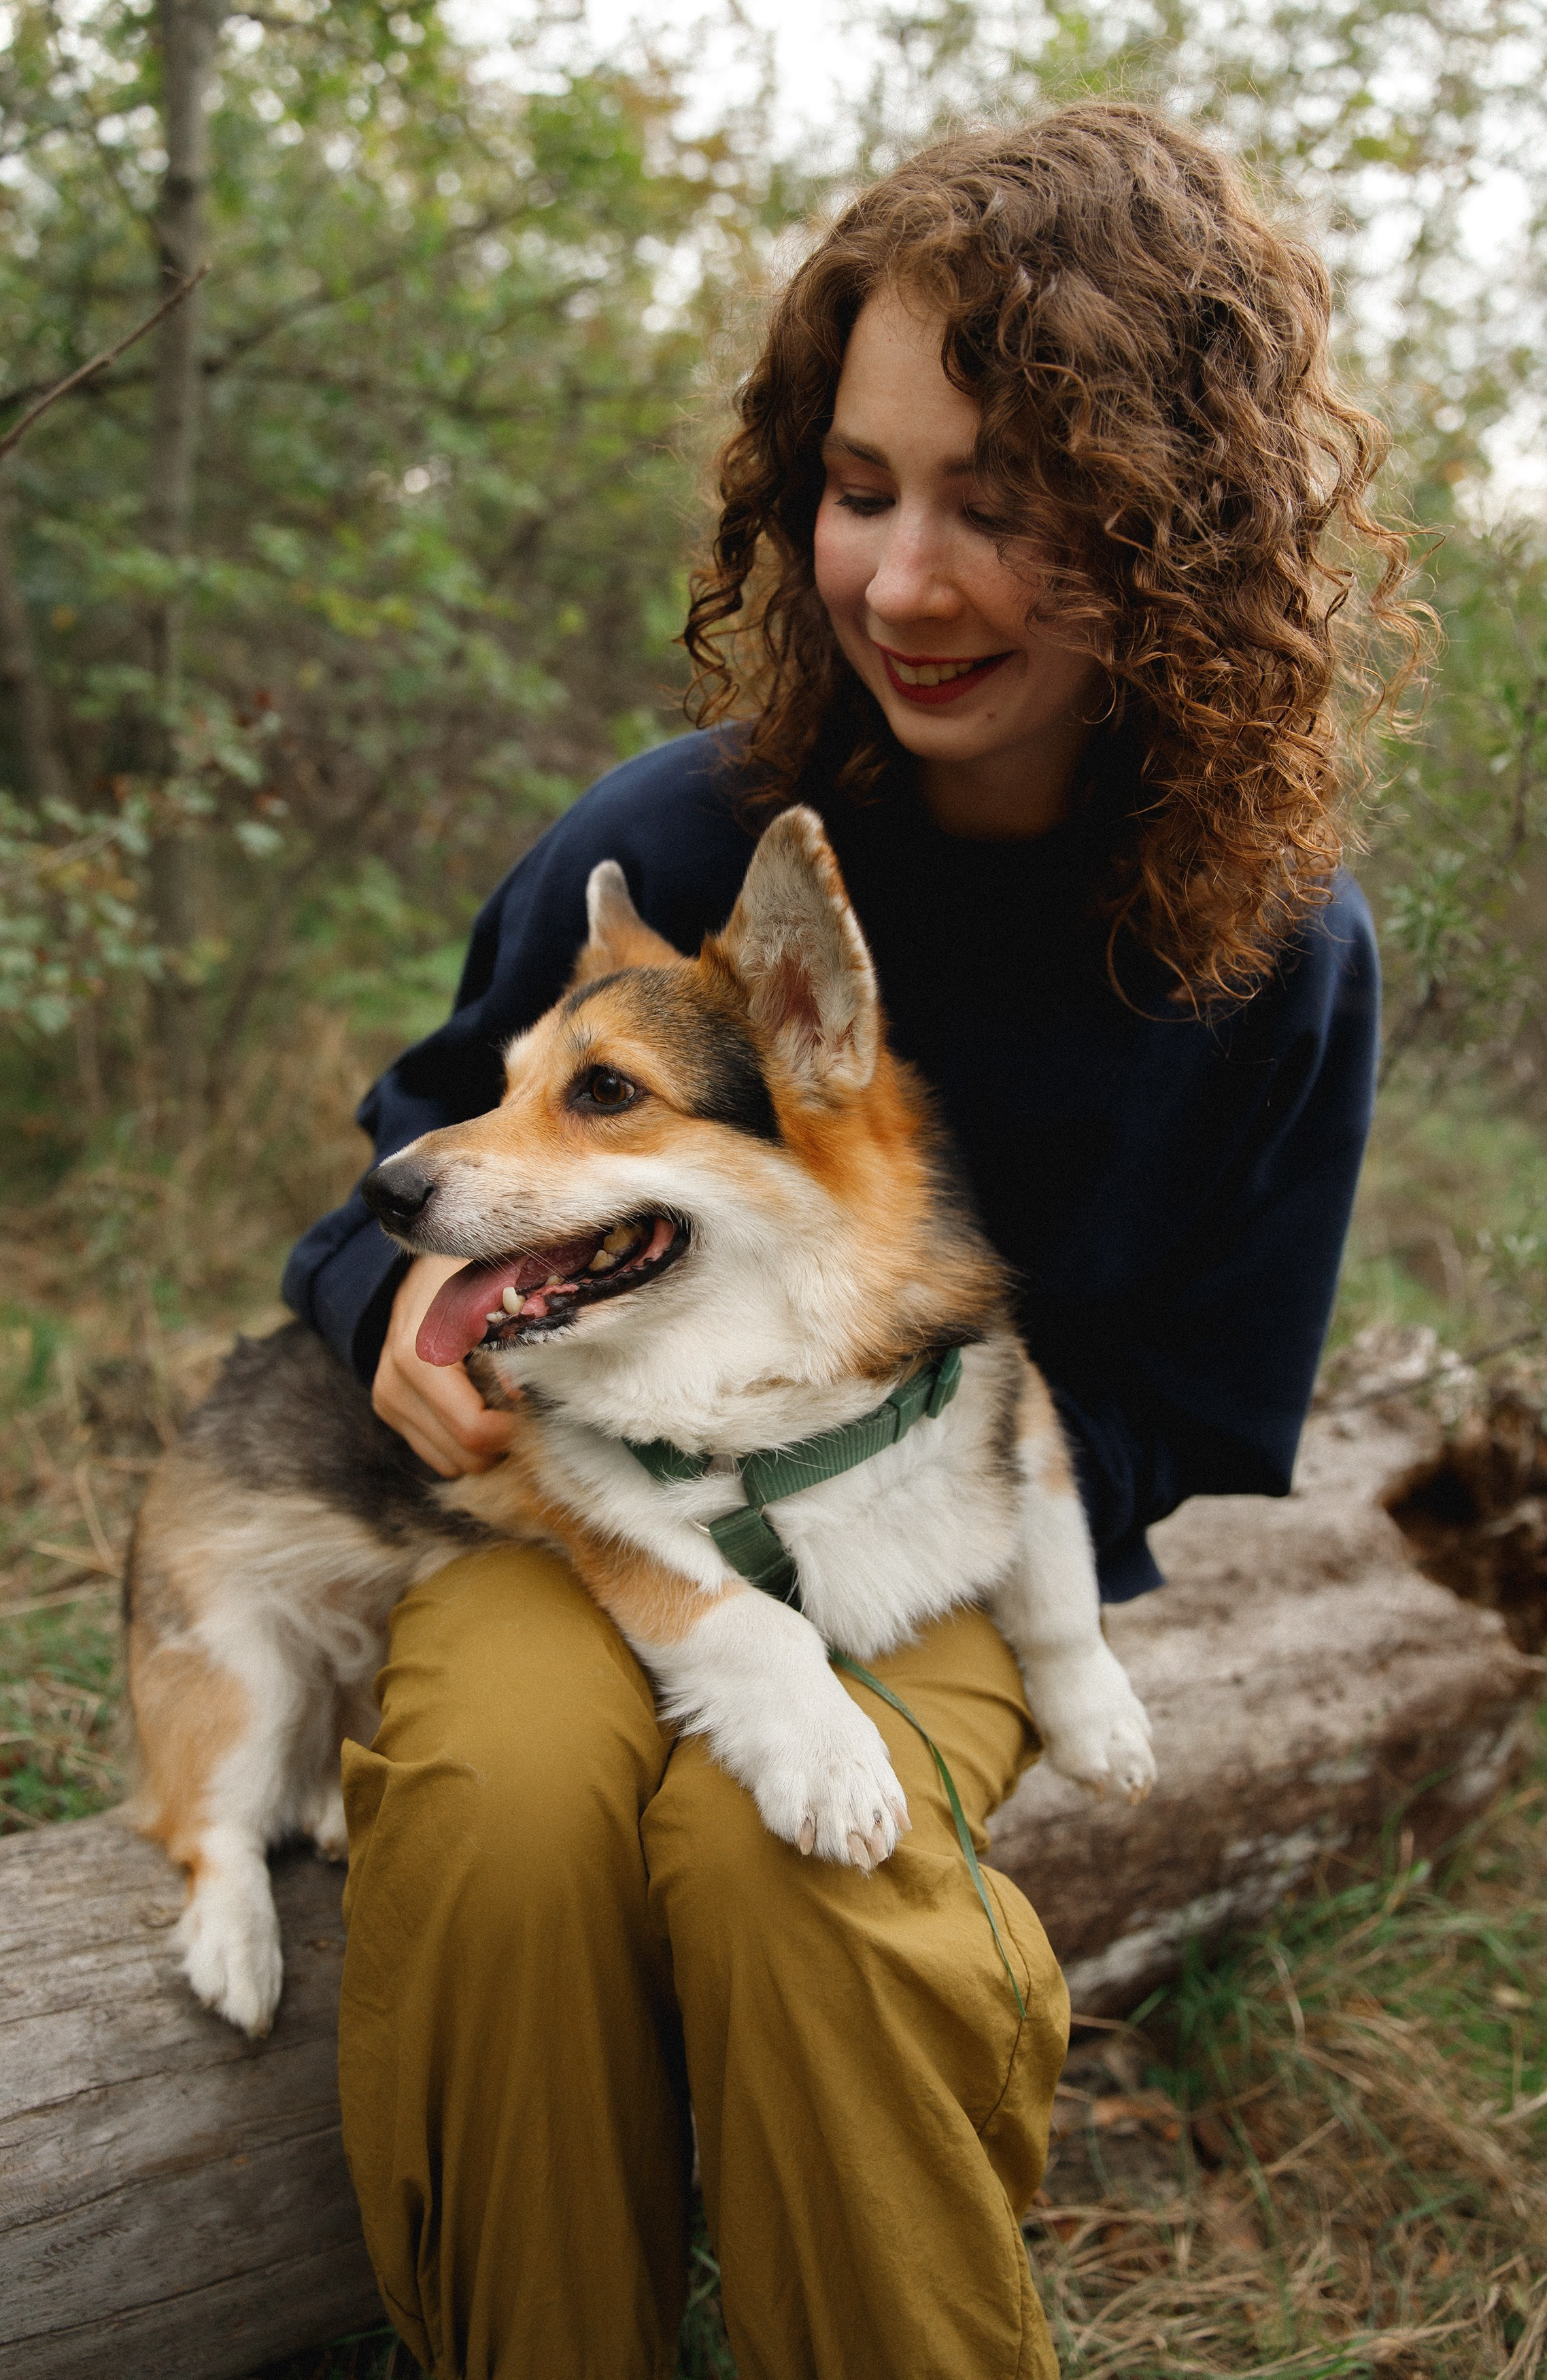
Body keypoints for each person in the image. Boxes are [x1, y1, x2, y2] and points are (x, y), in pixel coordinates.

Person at [286, 102, 1418, 2380]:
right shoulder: (673, 842)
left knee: (782, 1858)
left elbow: (1189, 1405)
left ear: (1174, 534)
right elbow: (402, 1184)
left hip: (951, 1542)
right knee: (505, 1821)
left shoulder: (1271, 955)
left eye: (1005, 505)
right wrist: (400, 1297)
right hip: (575, 1504)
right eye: (865, 486)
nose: (906, 580)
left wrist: (891, 1522)